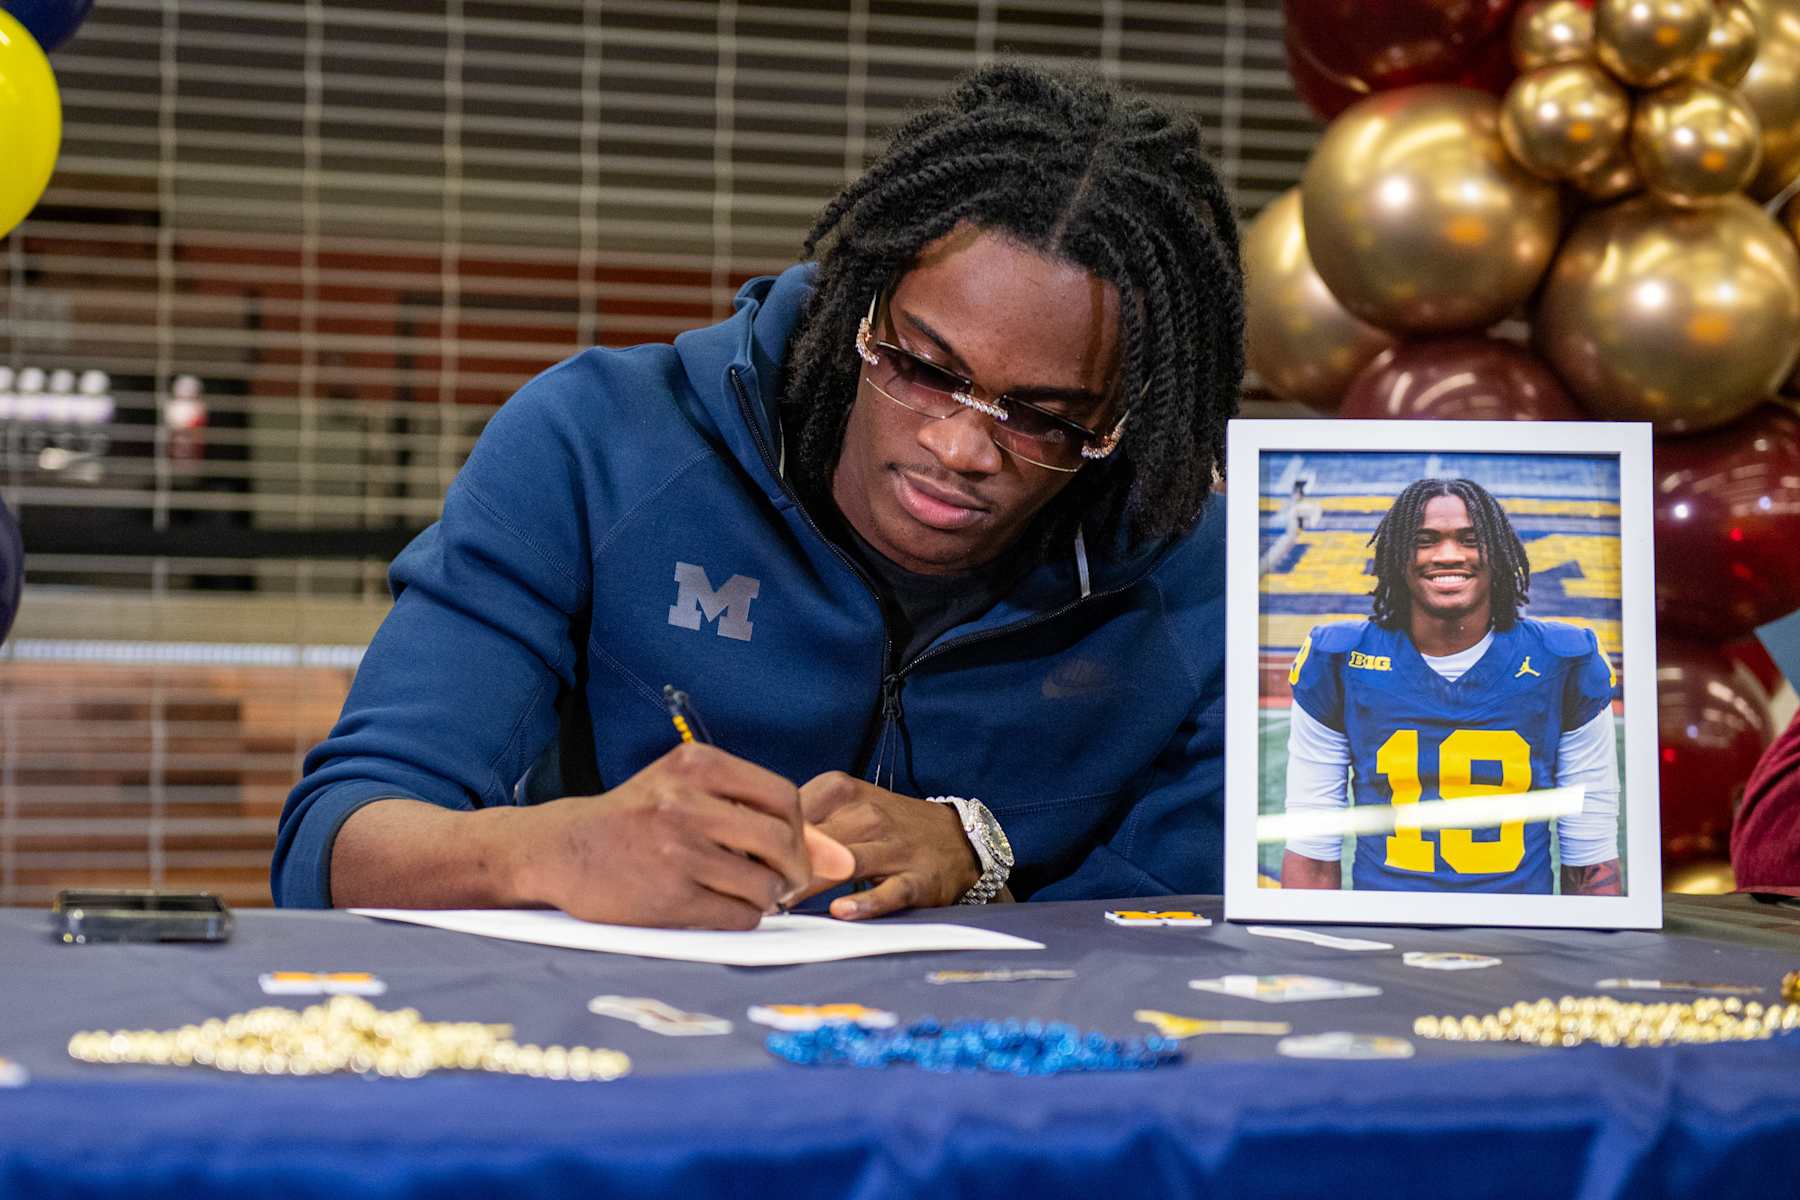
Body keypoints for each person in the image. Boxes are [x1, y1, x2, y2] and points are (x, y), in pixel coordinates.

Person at [272, 62, 1245, 928]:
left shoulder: (1197, 572)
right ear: (858, 304)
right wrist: (555, 852)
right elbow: (336, 843)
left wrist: (981, 856)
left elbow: (1185, 935)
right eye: (920, 365)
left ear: (1128, 418)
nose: (958, 447)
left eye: (1045, 418)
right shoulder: (598, 447)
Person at [1280, 477, 1622, 895]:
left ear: (1496, 553)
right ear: (1397, 556)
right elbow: (1311, 849)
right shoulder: (1338, 658)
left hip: (1523, 934)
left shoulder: (1564, 658)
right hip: (1382, 929)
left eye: (1469, 539)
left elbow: (1591, 854)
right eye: (1425, 540)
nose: (1447, 555)